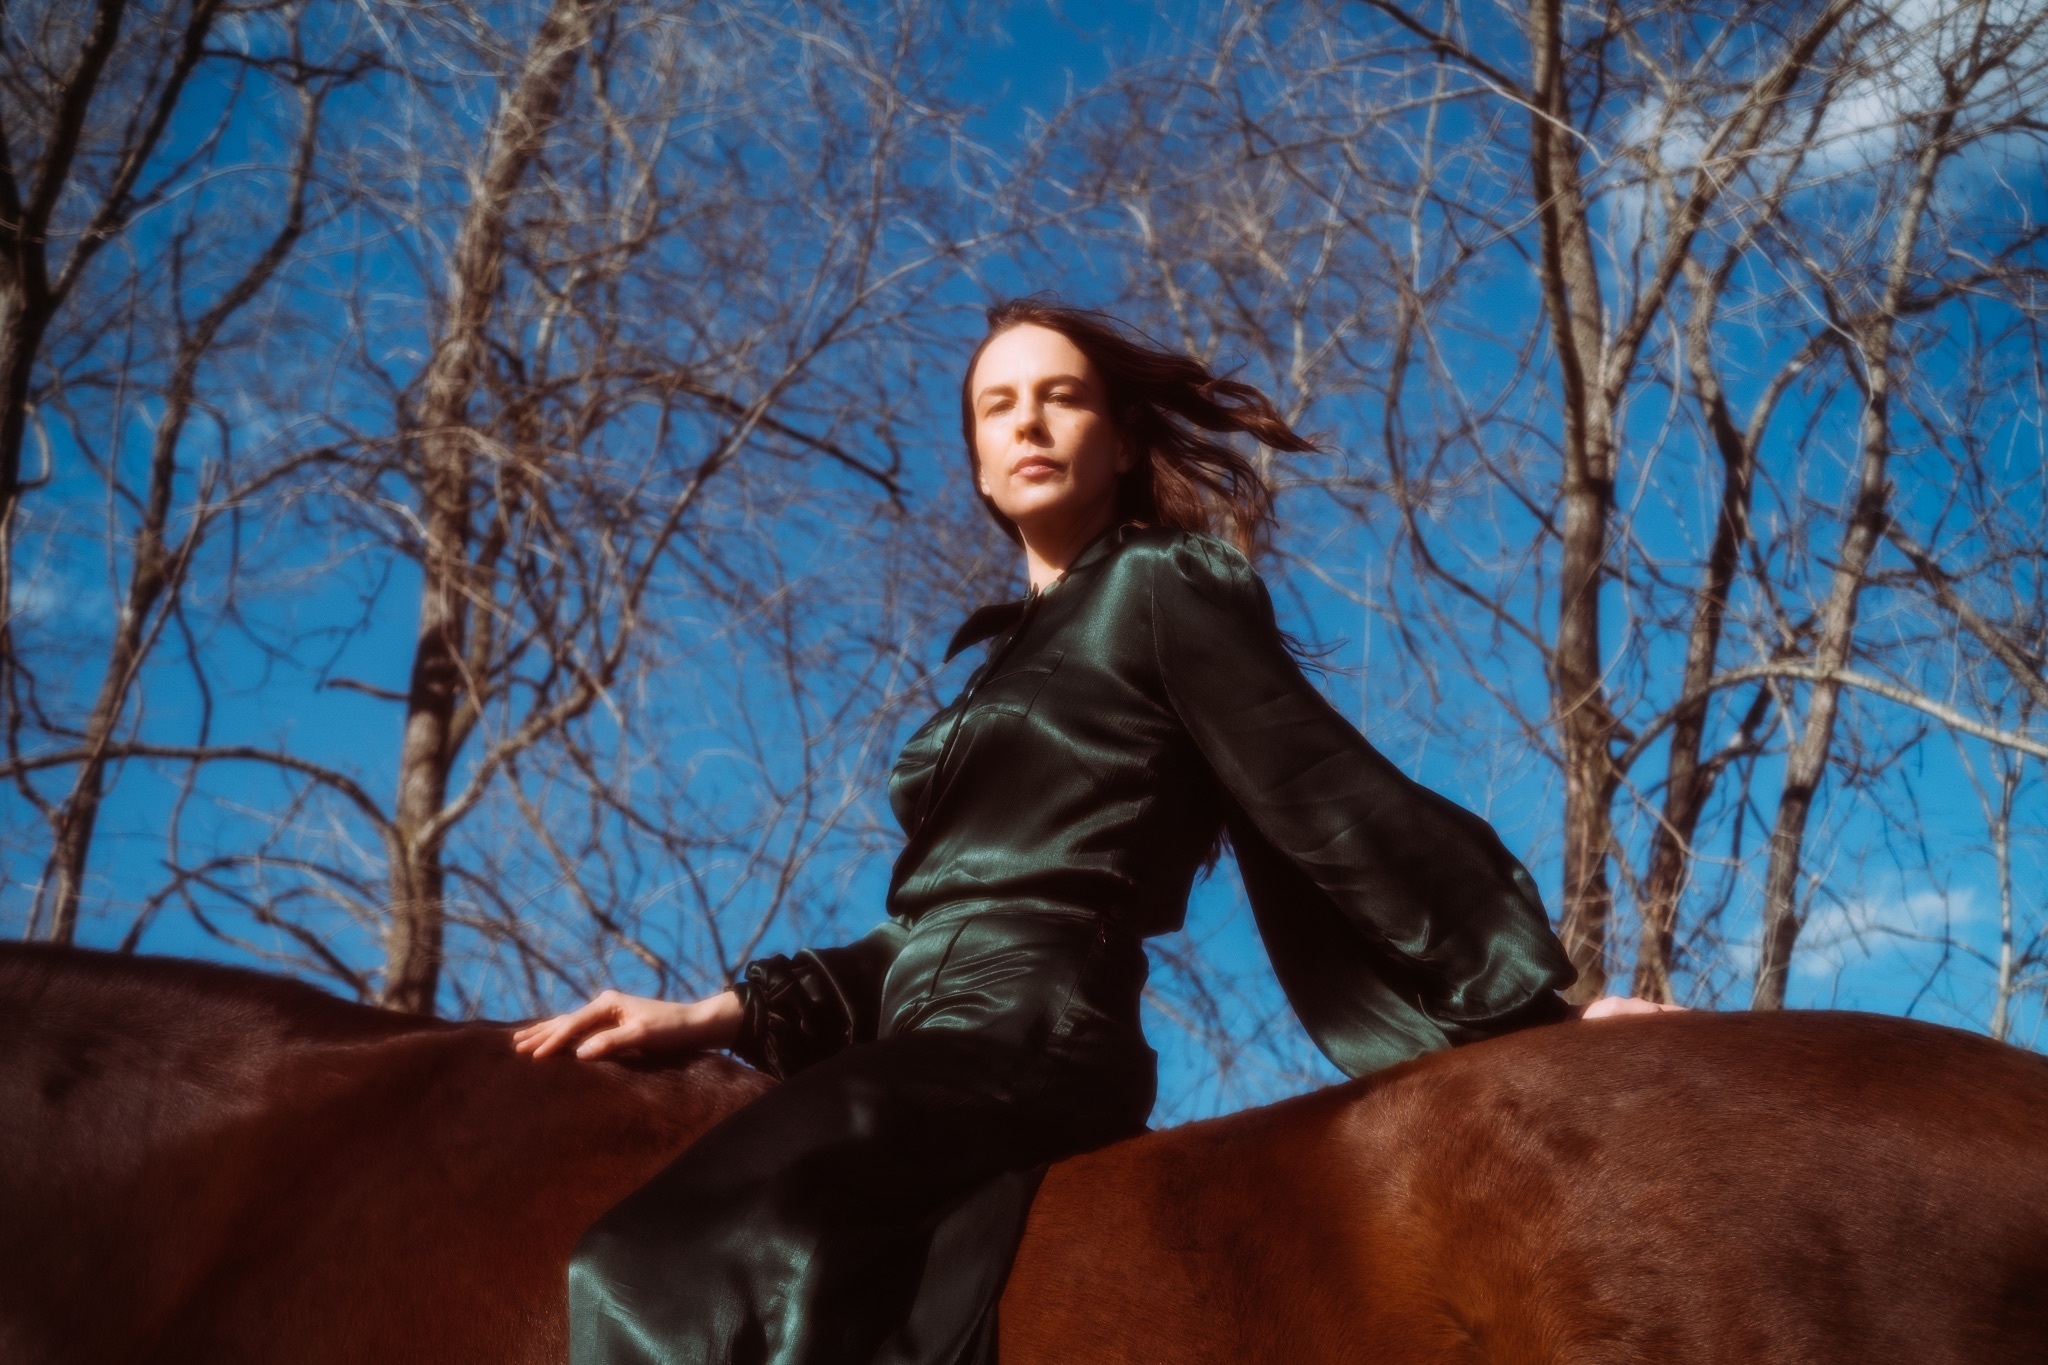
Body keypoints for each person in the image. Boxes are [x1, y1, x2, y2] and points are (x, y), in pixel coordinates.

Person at [515, 299, 1674, 1365]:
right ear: (978, 462)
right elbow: (921, 936)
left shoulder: (1157, 584)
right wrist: (714, 1011)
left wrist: (1537, 1013)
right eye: (997, 406)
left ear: (1119, 443)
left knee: (642, 1265)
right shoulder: (998, 669)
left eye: (1059, 397)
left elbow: (1325, 792)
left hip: (1035, 1030)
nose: (1027, 422)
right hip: (925, 1042)